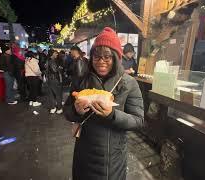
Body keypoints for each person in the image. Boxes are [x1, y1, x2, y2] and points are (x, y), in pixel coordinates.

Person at [64, 27, 144, 180]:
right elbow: (67, 111)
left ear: (115, 57)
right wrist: (76, 110)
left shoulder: (129, 83)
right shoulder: (82, 80)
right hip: (84, 154)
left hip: (112, 158)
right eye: (97, 57)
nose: (101, 62)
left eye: (107, 57)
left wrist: (113, 115)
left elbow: (138, 120)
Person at [46, 50, 63, 114]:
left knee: (51, 94)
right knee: (58, 94)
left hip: (49, 80)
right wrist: (60, 68)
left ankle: (53, 108)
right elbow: (55, 70)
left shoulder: (47, 60)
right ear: (52, 54)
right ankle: (59, 108)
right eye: (55, 53)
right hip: (55, 79)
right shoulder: (52, 61)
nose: (57, 54)